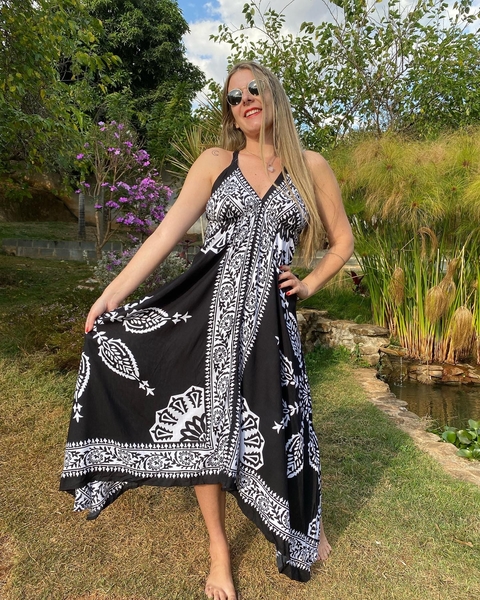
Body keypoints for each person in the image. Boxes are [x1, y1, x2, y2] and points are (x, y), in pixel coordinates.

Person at [60, 61, 354, 600]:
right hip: (207, 316)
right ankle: (219, 550)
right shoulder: (216, 162)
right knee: (206, 429)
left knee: (285, 422)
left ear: (273, 93)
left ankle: (302, 520)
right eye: (234, 97)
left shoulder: (311, 166)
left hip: (272, 324)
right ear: (230, 113)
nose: (245, 100)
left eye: (254, 89)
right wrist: (111, 295)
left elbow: (343, 241)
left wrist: (309, 284)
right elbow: (164, 236)